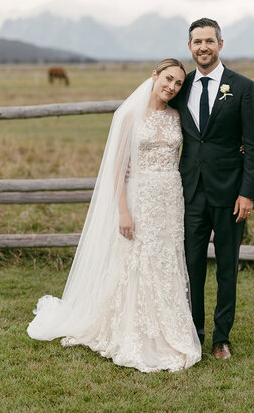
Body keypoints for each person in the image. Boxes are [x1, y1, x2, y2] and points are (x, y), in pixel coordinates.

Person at [27, 58, 201, 373]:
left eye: (178, 83)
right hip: (139, 197)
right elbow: (117, 167)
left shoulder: (178, 117)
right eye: (168, 79)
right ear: (154, 75)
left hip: (170, 199)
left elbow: (200, 146)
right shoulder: (130, 116)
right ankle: (131, 331)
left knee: (166, 259)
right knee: (135, 260)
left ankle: (168, 330)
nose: (172, 87)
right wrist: (123, 210)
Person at [169, 18, 254, 361]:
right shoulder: (182, 87)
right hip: (191, 193)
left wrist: (248, 192)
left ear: (220, 45)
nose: (203, 47)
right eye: (197, 42)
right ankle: (193, 331)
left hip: (230, 195)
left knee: (227, 268)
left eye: (210, 41)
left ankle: (221, 337)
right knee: (191, 267)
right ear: (190, 47)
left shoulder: (243, 87)